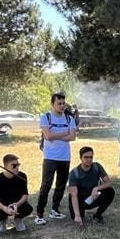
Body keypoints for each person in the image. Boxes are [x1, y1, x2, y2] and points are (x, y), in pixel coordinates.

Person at [34, 92, 78, 225]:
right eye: (59, 103)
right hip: (50, 157)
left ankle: (55, 209)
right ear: (52, 104)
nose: (62, 106)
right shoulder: (46, 117)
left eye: (63, 103)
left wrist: (55, 135)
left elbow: (73, 137)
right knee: (46, 185)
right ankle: (40, 214)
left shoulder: (69, 118)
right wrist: (65, 133)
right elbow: (48, 136)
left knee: (61, 185)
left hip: (65, 157)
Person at [67, 146, 115, 224]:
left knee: (110, 191)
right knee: (76, 218)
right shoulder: (74, 173)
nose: (89, 159)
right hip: (80, 199)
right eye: (86, 157)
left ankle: (97, 216)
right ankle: (78, 214)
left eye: (91, 157)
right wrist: (77, 215)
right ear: (80, 158)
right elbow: (74, 196)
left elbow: (108, 182)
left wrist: (96, 188)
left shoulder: (96, 167)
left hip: (93, 196)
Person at [0, 153, 32, 232]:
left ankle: (18, 219)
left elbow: (25, 195)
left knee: (28, 208)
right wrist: (5, 208)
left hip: (17, 204)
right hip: (4, 205)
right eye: (14, 166)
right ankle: (2, 220)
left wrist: (17, 204)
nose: (17, 167)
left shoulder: (22, 176)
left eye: (18, 165)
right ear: (5, 166)